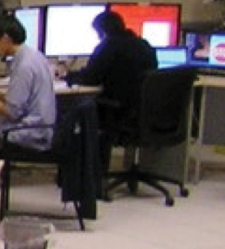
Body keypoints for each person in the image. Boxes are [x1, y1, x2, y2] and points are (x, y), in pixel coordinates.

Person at [66, 9, 158, 155]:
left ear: (102, 31)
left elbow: (91, 78)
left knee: (75, 108)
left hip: (118, 110)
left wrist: (69, 76)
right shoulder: (144, 45)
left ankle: (90, 168)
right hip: (143, 112)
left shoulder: (108, 46)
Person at [0, 15, 56, 157]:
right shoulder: (34, 55)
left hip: (32, 132)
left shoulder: (23, 66)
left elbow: (13, 112)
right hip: (42, 127)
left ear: (6, 39)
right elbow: (20, 100)